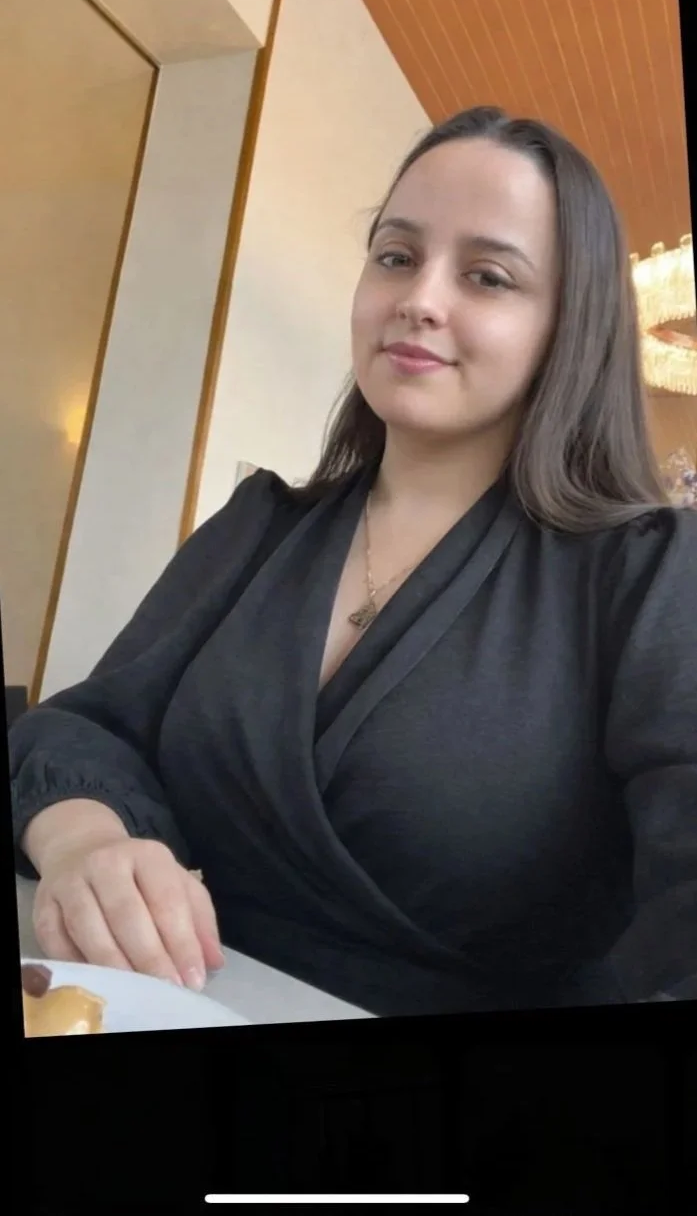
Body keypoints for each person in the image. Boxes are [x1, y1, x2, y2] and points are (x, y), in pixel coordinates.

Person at [10, 106, 697, 1016]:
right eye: (396, 255)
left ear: (569, 327)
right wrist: (84, 842)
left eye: (487, 275)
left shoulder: (648, 575)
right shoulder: (258, 527)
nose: (419, 298)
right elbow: (85, 726)